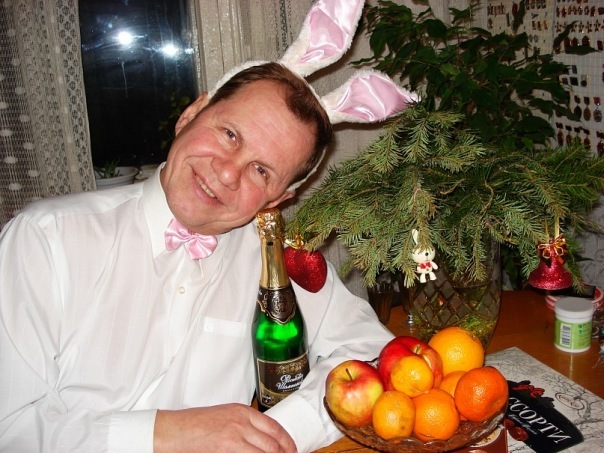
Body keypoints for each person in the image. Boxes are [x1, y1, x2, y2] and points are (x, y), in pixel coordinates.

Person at [0, 62, 395, 452]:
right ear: (190, 115)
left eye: (261, 171)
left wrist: (277, 432)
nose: (227, 174)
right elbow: (9, 428)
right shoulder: (46, 239)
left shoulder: (277, 260)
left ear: (277, 200)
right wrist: (165, 434)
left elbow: (375, 355)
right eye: (230, 134)